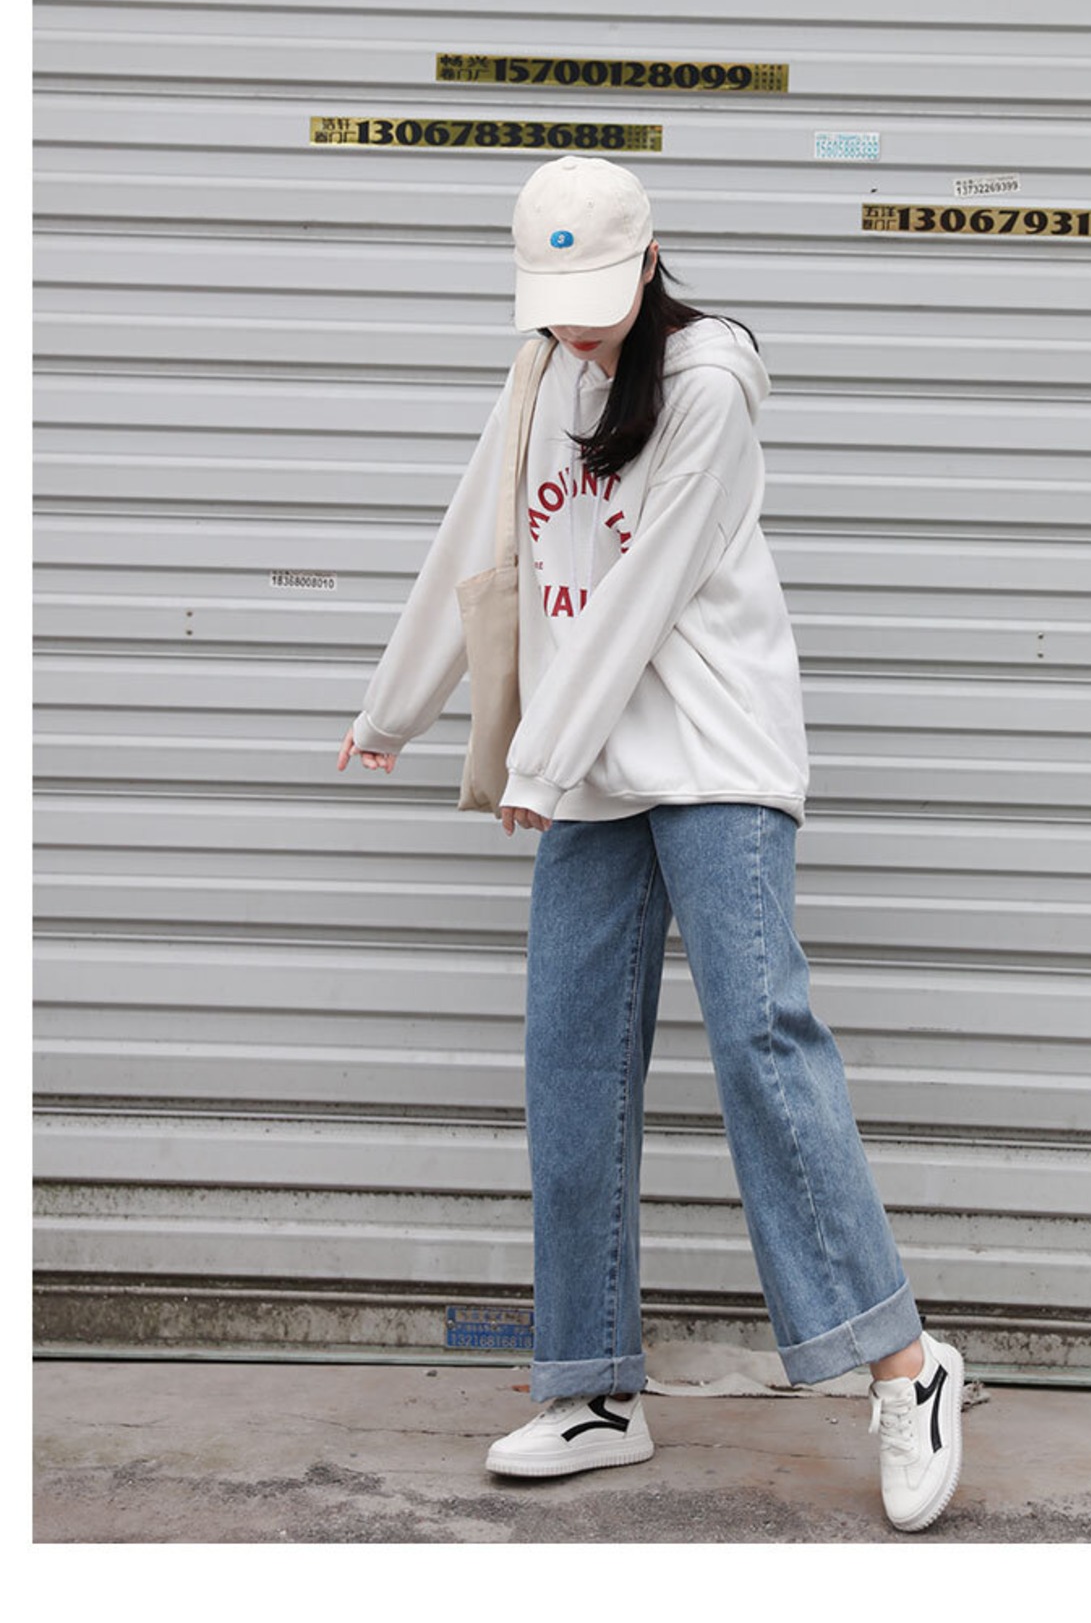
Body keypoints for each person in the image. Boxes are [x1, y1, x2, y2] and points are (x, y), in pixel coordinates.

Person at [337, 155, 964, 1533]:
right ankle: (594, 1388)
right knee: (568, 1061)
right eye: (551, 303)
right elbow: (478, 545)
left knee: (760, 1041)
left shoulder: (709, 382)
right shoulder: (541, 374)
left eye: (593, 298)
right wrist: (394, 708)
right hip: (594, 771)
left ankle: (905, 1364)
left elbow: (639, 598)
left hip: (717, 755)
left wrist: (538, 759)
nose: (573, 327)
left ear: (653, 258)